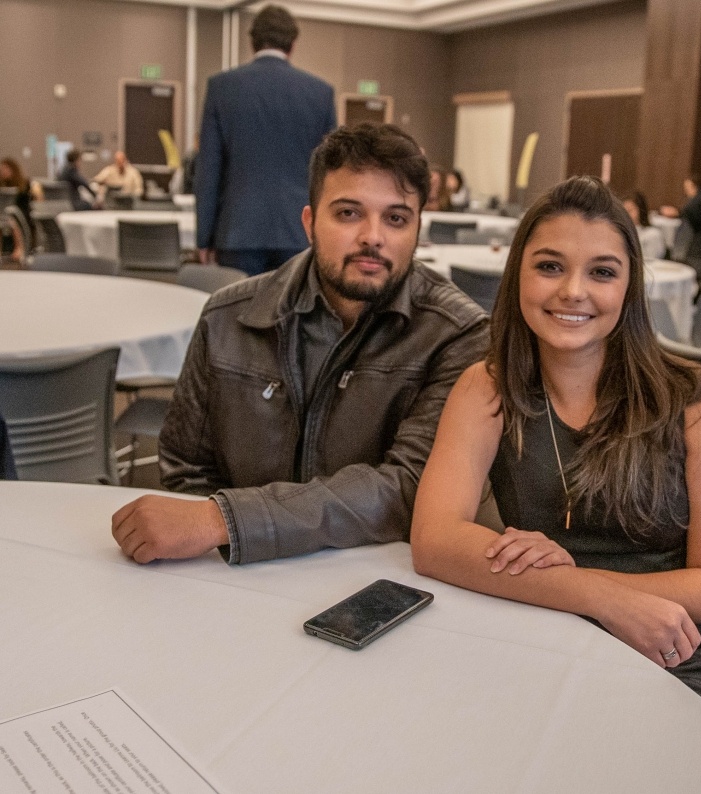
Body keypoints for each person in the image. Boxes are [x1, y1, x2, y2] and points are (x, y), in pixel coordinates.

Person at [411, 176, 701, 723]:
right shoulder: (488, 386)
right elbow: (433, 540)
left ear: (629, 287)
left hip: (669, 655)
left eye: (602, 272)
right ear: (517, 274)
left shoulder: (696, 400)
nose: (573, 291)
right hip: (543, 636)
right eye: (549, 266)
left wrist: (582, 588)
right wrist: (596, 597)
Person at [112, 123, 489, 565]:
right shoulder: (229, 316)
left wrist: (224, 521)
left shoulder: (456, 334)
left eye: (396, 218)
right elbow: (185, 465)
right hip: (239, 572)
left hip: (374, 574)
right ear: (310, 223)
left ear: (417, 228)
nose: (373, 236)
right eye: (349, 213)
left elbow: (408, 487)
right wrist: (220, 543)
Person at [195, 4, 337, 277]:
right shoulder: (320, 93)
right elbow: (331, 170)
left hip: (237, 230)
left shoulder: (221, 88)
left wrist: (204, 237)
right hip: (299, 231)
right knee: (295, 317)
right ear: (293, 44)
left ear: (252, 42)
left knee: (239, 313)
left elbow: (208, 169)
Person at [1, 156, 41, 248]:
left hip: (22, 212)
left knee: (13, 219)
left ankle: (19, 249)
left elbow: (37, 195)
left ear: (13, 170)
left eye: (5, 169)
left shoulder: (25, 183)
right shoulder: (2, 185)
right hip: (6, 212)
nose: (3, 171)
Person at [622, 190, 665, 260]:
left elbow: (652, 261)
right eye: (624, 211)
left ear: (641, 210)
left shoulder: (652, 234)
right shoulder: (619, 232)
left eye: (630, 210)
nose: (626, 215)